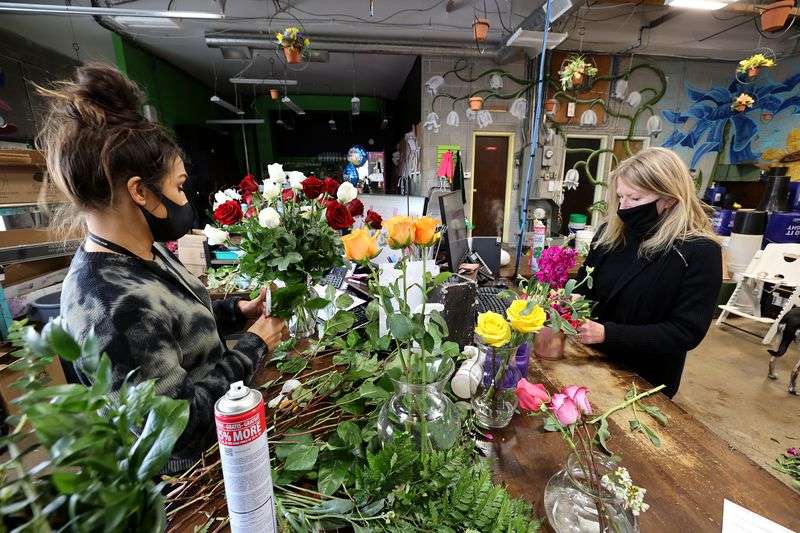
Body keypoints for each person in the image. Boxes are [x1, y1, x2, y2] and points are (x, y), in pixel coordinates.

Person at [37, 63, 287, 472]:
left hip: (228, 443)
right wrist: (254, 349)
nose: (184, 198)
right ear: (139, 191)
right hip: (191, 478)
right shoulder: (108, 303)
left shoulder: (145, 253)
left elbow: (175, 330)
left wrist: (236, 314)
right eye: (179, 186)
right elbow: (175, 427)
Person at [576, 147, 722, 398]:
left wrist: (609, 334)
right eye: (620, 197)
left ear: (669, 198)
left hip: (645, 379)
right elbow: (584, 283)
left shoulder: (698, 252)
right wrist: (570, 300)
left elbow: (686, 331)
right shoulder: (610, 235)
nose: (624, 208)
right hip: (590, 359)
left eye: (634, 199)